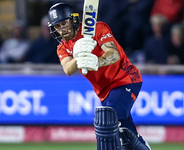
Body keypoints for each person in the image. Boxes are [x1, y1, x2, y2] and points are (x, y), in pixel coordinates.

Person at [48, 2, 151, 150]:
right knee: (125, 133)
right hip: (105, 92)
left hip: (125, 79)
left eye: (64, 23)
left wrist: (96, 61)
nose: (62, 30)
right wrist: (79, 56)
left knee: (106, 121)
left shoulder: (97, 28)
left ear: (73, 19)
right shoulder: (63, 47)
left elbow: (113, 54)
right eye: (57, 27)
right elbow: (68, 69)